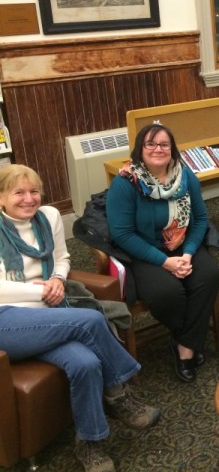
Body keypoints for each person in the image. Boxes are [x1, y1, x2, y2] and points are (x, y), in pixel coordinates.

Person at [0, 165, 160, 472]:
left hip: (48, 313)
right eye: (18, 192)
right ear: (2, 198)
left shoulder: (48, 217)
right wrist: (39, 291)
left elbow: (61, 258)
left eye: (34, 191)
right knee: (89, 320)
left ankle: (89, 443)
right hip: (7, 318)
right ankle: (119, 393)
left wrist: (58, 280)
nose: (28, 199)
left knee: (85, 363)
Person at [107, 122, 219, 383]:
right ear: (140, 149)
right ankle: (190, 338)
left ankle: (184, 346)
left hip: (182, 244)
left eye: (164, 144)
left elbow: (200, 220)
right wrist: (165, 262)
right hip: (145, 250)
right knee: (167, 293)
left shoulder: (185, 175)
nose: (158, 149)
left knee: (209, 276)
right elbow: (122, 235)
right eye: (150, 143)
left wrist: (189, 253)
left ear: (172, 149)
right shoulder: (125, 183)